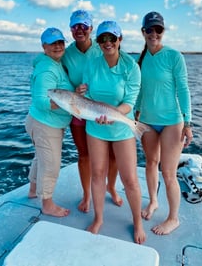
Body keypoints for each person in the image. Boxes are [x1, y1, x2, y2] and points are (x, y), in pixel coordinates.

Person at [82, 20, 146, 244]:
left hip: (122, 126)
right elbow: (86, 94)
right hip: (95, 126)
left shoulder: (131, 67)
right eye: (102, 39)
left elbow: (130, 101)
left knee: (130, 180)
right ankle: (99, 218)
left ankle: (137, 222)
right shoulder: (92, 63)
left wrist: (114, 114)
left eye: (112, 38)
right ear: (98, 42)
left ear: (120, 40)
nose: (107, 43)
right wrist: (83, 95)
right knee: (97, 173)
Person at [135, 11, 193, 235]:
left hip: (172, 122)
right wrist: (136, 114)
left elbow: (183, 90)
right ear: (143, 32)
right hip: (147, 121)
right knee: (151, 163)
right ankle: (152, 201)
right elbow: (139, 91)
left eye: (158, 29)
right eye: (149, 30)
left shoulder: (174, 56)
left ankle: (173, 218)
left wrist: (188, 122)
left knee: (168, 172)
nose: (154, 34)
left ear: (163, 31)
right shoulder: (140, 59)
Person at [62, 10, 122, 213]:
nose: (80, 30)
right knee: (84, 155)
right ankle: (87, 195)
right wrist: (74, 91)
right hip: (79, 109)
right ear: (71, 29)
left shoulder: (102, 48)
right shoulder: (66, 53)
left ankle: (111, 188)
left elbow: (120, 72)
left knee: (113, 155)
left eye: (84, 26)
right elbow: (56, 77)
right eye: (75, 26)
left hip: (103, 110)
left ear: (91, 29)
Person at [26, 27, 74, 217]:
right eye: (52, 43)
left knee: (40, 158)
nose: (57, 46)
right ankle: (47, 204)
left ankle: (32, 190)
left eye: (60, 42)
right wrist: (68, 104)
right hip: (45, 125)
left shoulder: (55, 62)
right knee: (51, 164)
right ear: (44, 46)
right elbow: (41, 101)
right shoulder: (47, 68)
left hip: (41, 121)